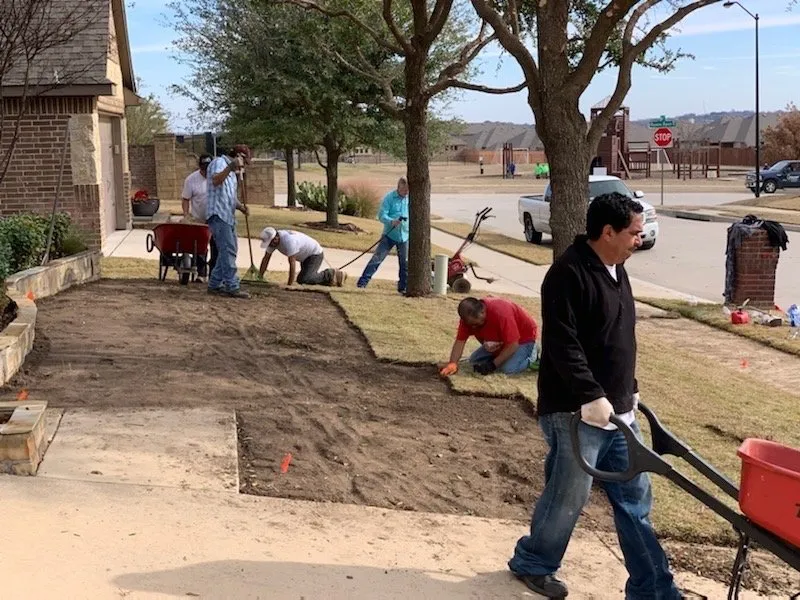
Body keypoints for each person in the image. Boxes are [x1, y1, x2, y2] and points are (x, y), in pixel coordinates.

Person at [507, 192, 683, 599]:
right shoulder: (568, 274)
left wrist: (629, 389)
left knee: (635, 498)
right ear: (608, 232)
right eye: (634, 233)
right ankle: (534, 562)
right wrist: (591, 395)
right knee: (569, 495)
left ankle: (653, 588)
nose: (639, 239)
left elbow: (619, 336)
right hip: (576, 411)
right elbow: (563, 344)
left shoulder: (617, 268)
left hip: (619, 411)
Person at [439, 296, 538, 377]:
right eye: (472, 325)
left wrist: (492, 365)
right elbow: (460, 341)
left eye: (478, 324)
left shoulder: (501, 314)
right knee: (474, 360)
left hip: (523, 339)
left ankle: (533, 356)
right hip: (502, 340)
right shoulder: (468, 320)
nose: (475, 327)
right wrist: (453, 363)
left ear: (482, 312)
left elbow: (513, 345)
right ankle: (501, 357)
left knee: (507, 369)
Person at [205, 145, 251, 299]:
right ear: (238, 155)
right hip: (218, 215)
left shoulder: (232, 173)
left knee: (229, 251)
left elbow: (230, 197)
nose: (244, 165)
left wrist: (241, 207)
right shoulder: (220, 163)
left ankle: (215, 283)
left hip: (228, 216)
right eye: (244, 160)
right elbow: (216, 180)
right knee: (228, 250)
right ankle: (232, 285)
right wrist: (231, 167)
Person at [356, 177, 409, 294]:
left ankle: (403, 288)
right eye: (404, 190)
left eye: (408, 190)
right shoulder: (389, 198)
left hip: (404, 236)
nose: (406, 192)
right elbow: (381, 215)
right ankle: (362, 283)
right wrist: (392, 221)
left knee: (404, 263)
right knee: (377, 259)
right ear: (399, 187)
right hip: (389, 235)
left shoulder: (409, 199)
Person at [258, 227, 347, 287]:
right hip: (304, 258)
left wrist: (289, 285)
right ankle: (332, 280)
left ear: (276, 238)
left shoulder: (289, 241)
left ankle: (330, 274)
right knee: (302, 279)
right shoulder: (273, 243)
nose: (270, 245)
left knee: (305, 279)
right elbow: (266, 259)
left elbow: (292, 263)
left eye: (271, 242)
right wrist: (259, 277)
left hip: (314, 254)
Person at [181, 154, 214, 282]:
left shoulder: (216, 177)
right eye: (203, 168)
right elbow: (185, 199)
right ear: (199, 166)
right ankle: (201, 273)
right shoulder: (191, 179)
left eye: (208, 168)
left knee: (215, 247)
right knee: (200, 247)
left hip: (214, 217)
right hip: (198, 218)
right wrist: (186, 214)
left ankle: (213, 275)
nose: (206, 171)